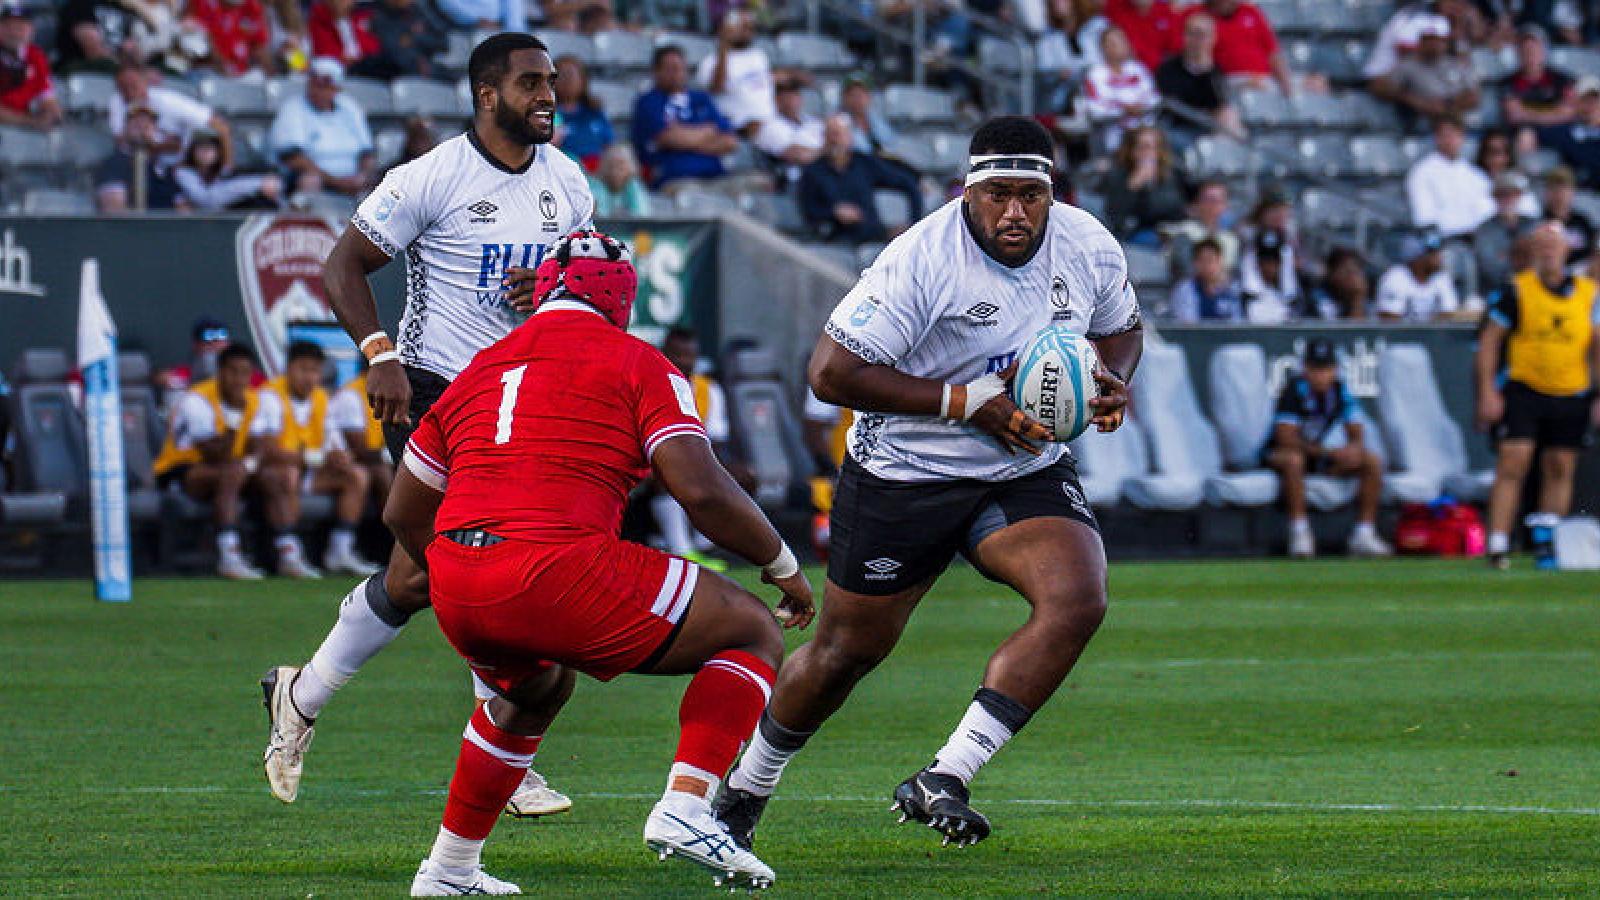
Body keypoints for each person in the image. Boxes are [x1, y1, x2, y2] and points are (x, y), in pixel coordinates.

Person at [715, 116, 1141, 852]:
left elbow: (1123, 325)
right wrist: (965, 401)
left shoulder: (1087, 242)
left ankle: (946, 774)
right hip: (907, 473)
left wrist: (1110, 379)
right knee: (847, 652)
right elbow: (828, 375)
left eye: (1031, 195)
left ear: (1052, 194)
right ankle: (743, 791)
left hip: (1019, 465)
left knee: (1077, 598)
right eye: (998, 194)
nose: (1015, 211)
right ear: (968, 192)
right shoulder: (920, 259)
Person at [385, 229, 812, 895]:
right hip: (553, 565)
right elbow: (699, 488)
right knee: (749, 628)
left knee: (535, 691)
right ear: (620, 299)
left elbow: (402, 512)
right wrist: (781, 560)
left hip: (461, 583)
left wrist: (450, 573)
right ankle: (688, 807)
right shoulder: (637, 360)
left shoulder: (481, 365)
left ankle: (448, 869)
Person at [258, 34, 594, 821]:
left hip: (518, 399)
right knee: (481, 564)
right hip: (433, 394)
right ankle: (506, 752)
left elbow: (583, 273)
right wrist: (379, 354)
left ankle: (297, 696)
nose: (548, 94)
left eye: (551, 82)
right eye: (530, 83)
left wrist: (551, 282)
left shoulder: (568, 182)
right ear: (487, 94)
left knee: (418, 579)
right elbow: (342, 266)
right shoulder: (430, 176)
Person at [1476, 222, 1600, 570]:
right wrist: (1487, 390)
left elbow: (1596, 345)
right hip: (1525, 387)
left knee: (1560, 467)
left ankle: (1549, 540)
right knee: (1513, 460)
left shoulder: (1589, 293)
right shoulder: (1517, 290)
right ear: (1532, 251)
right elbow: (1489, 342)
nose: (1549, 251)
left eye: (1554, 244)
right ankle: (1497, 542)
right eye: (1542, 244)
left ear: (1566, 251)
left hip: (1571, 389)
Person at [152, 343, 310, 578]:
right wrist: (235, 417)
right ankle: (229, 555)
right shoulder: (197, 400)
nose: (239, 379)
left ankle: (288, 552)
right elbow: (214, 454)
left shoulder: (254, 401)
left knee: (273, 476)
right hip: (182, 470)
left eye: (245, 373)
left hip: (229, 468)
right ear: (220, 372)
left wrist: (252, 465)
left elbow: (257, 447)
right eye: (233, 372)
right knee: (232, 472)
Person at [257, 341, 381, 577]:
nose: (309, 377)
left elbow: (332, 441)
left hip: (308, 471)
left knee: (356, 474)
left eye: (314, 370)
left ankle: (340, 551)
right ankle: (289, 553)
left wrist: (339, 457)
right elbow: (267, 450)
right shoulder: (269, 396)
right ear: (289, 368)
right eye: (303, 369)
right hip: (272, 472)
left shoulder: (321, 398)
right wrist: (316, 458)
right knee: (288, 474)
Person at [1262, 338, 1392, 559]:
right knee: (1293, 460)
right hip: (1283, 455)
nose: (1321, 375)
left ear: (1335, 369)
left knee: (1371, 461)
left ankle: (1364, 533)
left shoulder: (1341, 391)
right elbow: (1285, 438)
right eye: (1315, 369)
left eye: (1326, 369)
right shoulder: (1294, 390)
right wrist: (1327, 453)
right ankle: (1300, 532)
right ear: (1306, 369)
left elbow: (1356, 432)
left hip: (1321, 455)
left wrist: (1351, 452)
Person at [797, 113, 923, 244]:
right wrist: (833, 212)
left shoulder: (865, 163)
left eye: (837, 134)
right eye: (828, 135)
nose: (833, 140)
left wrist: (913, 225)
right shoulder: (812, 172)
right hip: (836, 241)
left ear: (849, 137)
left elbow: (908, 184)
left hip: (874, 238)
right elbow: (809, 210)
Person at [632, 45, 737, 190]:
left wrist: (685, 138)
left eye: (680, 68)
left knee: (760, 184)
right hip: (676, 179)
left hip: (716, 177)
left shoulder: (701, 98)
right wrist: (708, 133)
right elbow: (669, 138)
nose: (677, 73)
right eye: (671, 68)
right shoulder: (648, 102)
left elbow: (730, 142)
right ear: (656, 72)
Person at [269, 57, 375, 198]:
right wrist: (337, 182)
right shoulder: (292, 108)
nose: (318, 90)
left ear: (337, 88)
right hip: (318, 179)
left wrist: (363, 176)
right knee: (310, 180)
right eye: (315, 83)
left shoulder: (349, 107)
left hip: (354, 180)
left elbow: (367, 153)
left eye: (325, 85)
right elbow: (294, 159)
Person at [109, 60, 230, 174]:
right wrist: (160, 145)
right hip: (137, 166)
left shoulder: (167, 101)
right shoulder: (117, 101)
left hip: (181, 167)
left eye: (133, 86)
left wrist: (226, 168)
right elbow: (121, 142)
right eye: (123, 88)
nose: (129, 92)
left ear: (145, 82)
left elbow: (220, 126)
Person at [1369, 14, 1479, 127]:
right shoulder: (1408, 65)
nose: (1433, 44)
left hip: (1455, 120)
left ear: (1446, 42)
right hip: (1420, 122)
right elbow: (1378, 87)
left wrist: (1448, 105)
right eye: (1428, 39)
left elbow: (1474, 97)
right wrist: (1414, 100)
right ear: (1420, 41)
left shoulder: (1457, 63)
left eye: (1438, 40)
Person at [1155, 11, 1244, 143]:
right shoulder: (1168, 69)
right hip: (1178, 128)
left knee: (1230, 117)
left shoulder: (1216, 71)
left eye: (1203, 35)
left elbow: (1220, 103)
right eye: (1192, 34)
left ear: (1213, 39)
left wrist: (1205, 68)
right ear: (1184, 36)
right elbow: (1174, 103)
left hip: (1209, 128)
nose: (1197, 41)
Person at [1406, 115, 1493, 240]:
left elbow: (1487, 212)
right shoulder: (1421, 173)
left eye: (1455, 135)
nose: (1450, 140)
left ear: (1462, 137)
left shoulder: (1476, 175)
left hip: (1479, 239)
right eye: (1445, 135)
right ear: (1436, 138)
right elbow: (1424, 218)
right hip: (1445, 240)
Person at [1182, 0, 1294, 95]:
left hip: (1261, 79)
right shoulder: (1195, 15)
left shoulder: (1251, 12)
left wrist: (1286, 81)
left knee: (1307, 86)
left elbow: (1273, 53)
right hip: (1220, 81)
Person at [1100, 125, 1186, 246]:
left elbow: (1175, 209)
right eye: (1144, 147)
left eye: (1153, 148)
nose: (1148, 153)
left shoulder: (1168, 174)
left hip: (1165, 230)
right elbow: (1115, 217)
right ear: (1132, 151)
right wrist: (1132, 187)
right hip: (1131, 233)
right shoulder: (1118, 174)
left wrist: (1151, 186)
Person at [327, 359, 393, 514]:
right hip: (352, 460)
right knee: (383, 472)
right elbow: (359, 450)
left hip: (377, 458)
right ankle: (397, 533)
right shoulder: (350, 395)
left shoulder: (388, 393)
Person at [1079, 26, 1158, 153]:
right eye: (1111, 43)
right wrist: (1123, 110)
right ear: (1103, 48)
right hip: (1112, 137)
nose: (1117, 46)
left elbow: (1154, 99)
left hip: (1143, 131)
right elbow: (1095, 110)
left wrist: (1139, 108)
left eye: (1120, 41)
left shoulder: (1138, 69)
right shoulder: (1095, 74)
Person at [696, 9, 774, 137]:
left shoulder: (759, 55)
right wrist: (724, 45)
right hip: (740, 126)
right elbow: (716, 88)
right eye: (744, 27)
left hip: (771, 122)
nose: (749, 32)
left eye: (751, 28)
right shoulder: (710, 62)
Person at [95, 102, 183, 211]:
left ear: (155, 130)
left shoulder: (163, 167)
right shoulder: (113, 164)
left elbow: (182, 208)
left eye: (148, 123)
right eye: (136, 121)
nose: (142, 126)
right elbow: (114, 210)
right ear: (125, 128)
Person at [174, 130, 282, 210]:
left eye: (211, 147)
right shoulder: (183, 173)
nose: (206, 151)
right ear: (191, 151)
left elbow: (276, 187)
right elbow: (208, 201)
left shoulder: (225, 172)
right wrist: (258, 184)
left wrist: (268, 185)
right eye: (200, 146)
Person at [1035, 0, 1109, 113]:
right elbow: (1044, 72)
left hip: (1102, 89)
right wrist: (1058, 75)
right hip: (1064, 99)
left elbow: (1105, 59)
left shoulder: (1098, 25)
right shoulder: (1047, 37)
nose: (1056, 3)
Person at [0, 2, 61, 131]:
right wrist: (30, 121)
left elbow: (46, 96)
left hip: (23, 130)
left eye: (21, 27)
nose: (14, 33)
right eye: (8, 27)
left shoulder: (36, 55)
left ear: (32, 31)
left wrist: (51, 112)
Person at [1376, 230, 1461, 321]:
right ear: (1417, 257)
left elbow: (1450, 315)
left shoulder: (1441, 278)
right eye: (1432, 253)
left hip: (1432, 335)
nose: (1439, 257)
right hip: (1401, 335)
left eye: (1438, 252)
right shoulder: (1394, 278)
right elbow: (1389, 320)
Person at [1473, 171, 1538, 290]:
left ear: (1519, 196)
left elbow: (1540, 260)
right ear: (1495, 197)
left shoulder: (1532, 224)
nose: (1508, 199)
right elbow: (1490, 267)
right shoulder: (1485, 230)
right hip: (1498, 289)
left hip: (1533, 287)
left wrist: (1506, 256)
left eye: (1512, 194)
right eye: (1503, 194)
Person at [1501, 24, 1574, 128]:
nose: (1530, 53)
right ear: (1518, 52)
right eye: (1525, 49)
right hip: (1525, 132)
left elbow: (1568, 113)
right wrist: (1554, 113)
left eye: (1534, 48)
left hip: (1558, 131)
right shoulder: (1508, 82)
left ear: (1544, 51)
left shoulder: (1563, 79)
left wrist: (1526, 113)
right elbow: (1513, 116)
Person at [753, 76, 823, 184]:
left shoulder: (815, 122)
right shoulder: (768, 125)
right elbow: (796, 155)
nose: (790, 99)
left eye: (793, 93)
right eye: (783, 94)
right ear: (775, 99)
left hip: (822, 177)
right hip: (792, 181)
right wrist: (828, 152)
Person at [1535, 76, 1600, 188]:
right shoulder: (1562, 132)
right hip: (1574, 193)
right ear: (1576, 102)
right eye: (1585, 100)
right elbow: (1538, 134)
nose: (1590, 105)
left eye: (1595, 100)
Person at [1167, 178, 1240, 277]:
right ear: (1197, 203)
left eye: (1218, 200)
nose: (1213, 205)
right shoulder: (1185, 232)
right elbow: (1185, 269)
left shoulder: (1231, 239)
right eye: (1208, 200)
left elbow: (1234, 274)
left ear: (1225, 205)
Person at [552, 54, 612, 170]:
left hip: (599, 174)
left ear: (583, 80)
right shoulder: (549, 114)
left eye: (572, 76)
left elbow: (609, 145)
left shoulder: (595, 111)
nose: (568, 81)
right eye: (563, 76)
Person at [364, 0, 446, 80]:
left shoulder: (417, 10)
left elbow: (442, 42)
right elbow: (393, 49)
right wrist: (417, 61)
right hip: (399, 73)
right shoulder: (376, 15)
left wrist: (415, 37)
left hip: (432, 64)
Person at [187, 0, 272, 76]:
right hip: (207, 70)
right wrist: (224, 70)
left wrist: (272, 76)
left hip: (242, 76)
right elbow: (202, 36)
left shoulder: (252, 6)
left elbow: (260, 47)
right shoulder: (205, 3)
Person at [1168, 237, 1242, 321]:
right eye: (1202, 260)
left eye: (1210, 260)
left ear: (1220, 260)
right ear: (1195, 263)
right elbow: (1188, 326)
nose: (1206, 265)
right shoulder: (1185, 289)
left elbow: (1238, 323)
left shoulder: (1234, 289)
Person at [1475, 128, 1541, 218]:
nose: (1497, 158)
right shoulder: (1472, 180)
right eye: (1492, 152)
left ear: (1508, 156)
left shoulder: (1520, 181)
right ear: (1483, 155)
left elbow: (1531, 213)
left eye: (1502, 152)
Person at [1239, 227, 1300, 322]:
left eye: (1274, 261)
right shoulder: (1242, 295)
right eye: (1264, 261)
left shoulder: (1295, 296)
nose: (1269, 266)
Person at [1105, 0, 1180, 73]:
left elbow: (1176, 49)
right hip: (1130, 72)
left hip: (1162, 72)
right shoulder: (1118, 10)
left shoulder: (1166, 12)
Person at [307, 0, 377, 72]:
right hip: (338, 70)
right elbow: (325, 52)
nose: (345, 2)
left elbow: (373, 47)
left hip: (364, 67)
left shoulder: (359, 18)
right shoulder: (319, 20)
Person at [1541, 165, 1595, 257]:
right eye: (1553, 188)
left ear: (1573, 191)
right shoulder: (1539, 222)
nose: (1559, 194)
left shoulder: (1583, 222)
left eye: (1564, 188)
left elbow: (1592, 251)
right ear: (1546, 192)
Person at [587, 141, 651, 216]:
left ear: (630, 168)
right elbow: (600, 216)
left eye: (621, 166)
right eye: (610, 166)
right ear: (603, 167)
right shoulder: (595, 185)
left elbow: (641, 215)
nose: (615, 172)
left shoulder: (633, 185)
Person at [839, 73, 896, 156]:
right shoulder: (838, 125)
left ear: (869, 97)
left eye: (862, 94)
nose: (857, 99)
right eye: (852, 94)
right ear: (844, 97)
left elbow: (892, 145)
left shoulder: (878, 121)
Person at [1309, 246, 1371, 320]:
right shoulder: (1318, 300)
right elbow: (1349, 331)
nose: (1354, 278)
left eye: (1357, 272)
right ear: (1332, 272)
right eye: (1348, 272)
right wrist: (1357, 300)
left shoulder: (1367, 302)